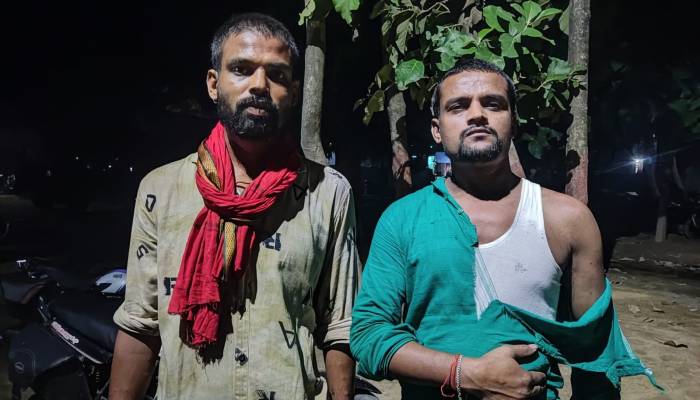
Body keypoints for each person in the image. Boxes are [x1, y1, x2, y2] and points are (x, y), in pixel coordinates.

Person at [350, 59, 656, 399]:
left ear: (514, 122)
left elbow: (595, 358)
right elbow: (369, 335)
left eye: (493, 104)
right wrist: (465, 373)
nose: (477, 114)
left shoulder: (567, 219)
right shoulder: (402, 219)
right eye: (458, 106)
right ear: (437, 129)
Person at [110, 13, 358, 400]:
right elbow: (140, 323)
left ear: (294, 92)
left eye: (276, 75)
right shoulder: (160, 189)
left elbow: (340, 325)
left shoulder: (328, 192)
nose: (259, 85)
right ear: (214, 84)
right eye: (242, 69)